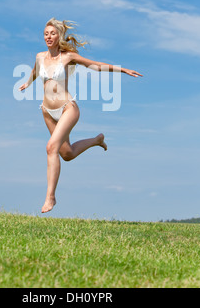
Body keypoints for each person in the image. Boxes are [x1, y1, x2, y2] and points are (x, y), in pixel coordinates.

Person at [19, 17, 143, 213]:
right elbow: (35, 71)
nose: (48, 37)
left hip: (68, 108)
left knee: (51, 148)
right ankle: (96, 140)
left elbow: (96, 65)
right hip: (47, 112)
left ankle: (50, 197)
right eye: (46, 34)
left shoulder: (68, 57)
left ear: (59, 35)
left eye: (52, 33)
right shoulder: (40, 56)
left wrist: (122, 69)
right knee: (66, 154)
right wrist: (27, 83)